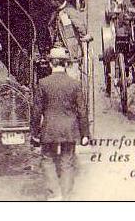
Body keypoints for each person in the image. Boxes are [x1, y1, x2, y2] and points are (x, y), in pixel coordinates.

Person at [31, 46, 90, 201]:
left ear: (50, 63)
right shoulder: (75, 84)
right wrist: (85, 134)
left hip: (49, 129)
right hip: (69, 129)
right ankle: (67, 196)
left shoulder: (43, 83)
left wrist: (34, 133)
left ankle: (54, 195)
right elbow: (82, 111)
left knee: (47, 159)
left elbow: (36, 111)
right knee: (67, 161)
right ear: (66, 64)